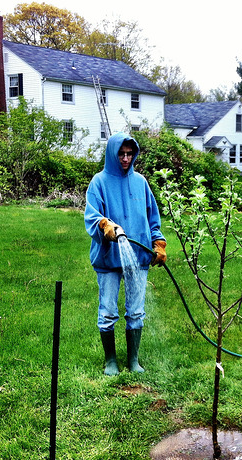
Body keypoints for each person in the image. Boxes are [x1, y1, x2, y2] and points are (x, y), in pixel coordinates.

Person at [84, 131, 167, 375]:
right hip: (109, 258)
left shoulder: (141, 182)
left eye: (130, 154)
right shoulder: (98, 182)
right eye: (121, 153)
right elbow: (91, 216)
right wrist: (105, 226)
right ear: (112, 154)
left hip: (138, 256)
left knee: (136, 310)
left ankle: (133, 361)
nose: (125, 159)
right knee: (108, 311)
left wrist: (158, 243)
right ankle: (110, 361)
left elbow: (153, 218)